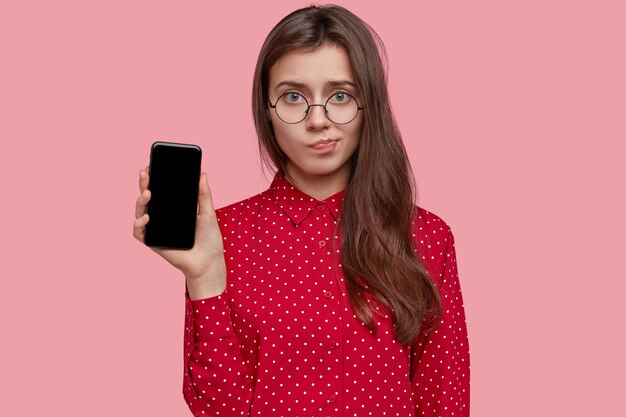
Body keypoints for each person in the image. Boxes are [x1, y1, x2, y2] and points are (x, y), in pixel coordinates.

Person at [133, 4, 469, 416]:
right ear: (267, 109)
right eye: (293, 96)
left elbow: (444, 400)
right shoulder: (223, 235)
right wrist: (204, 277)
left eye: (340, 96)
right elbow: (218, 408)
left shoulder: (427, 237)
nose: (318, 120)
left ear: (369, 105)